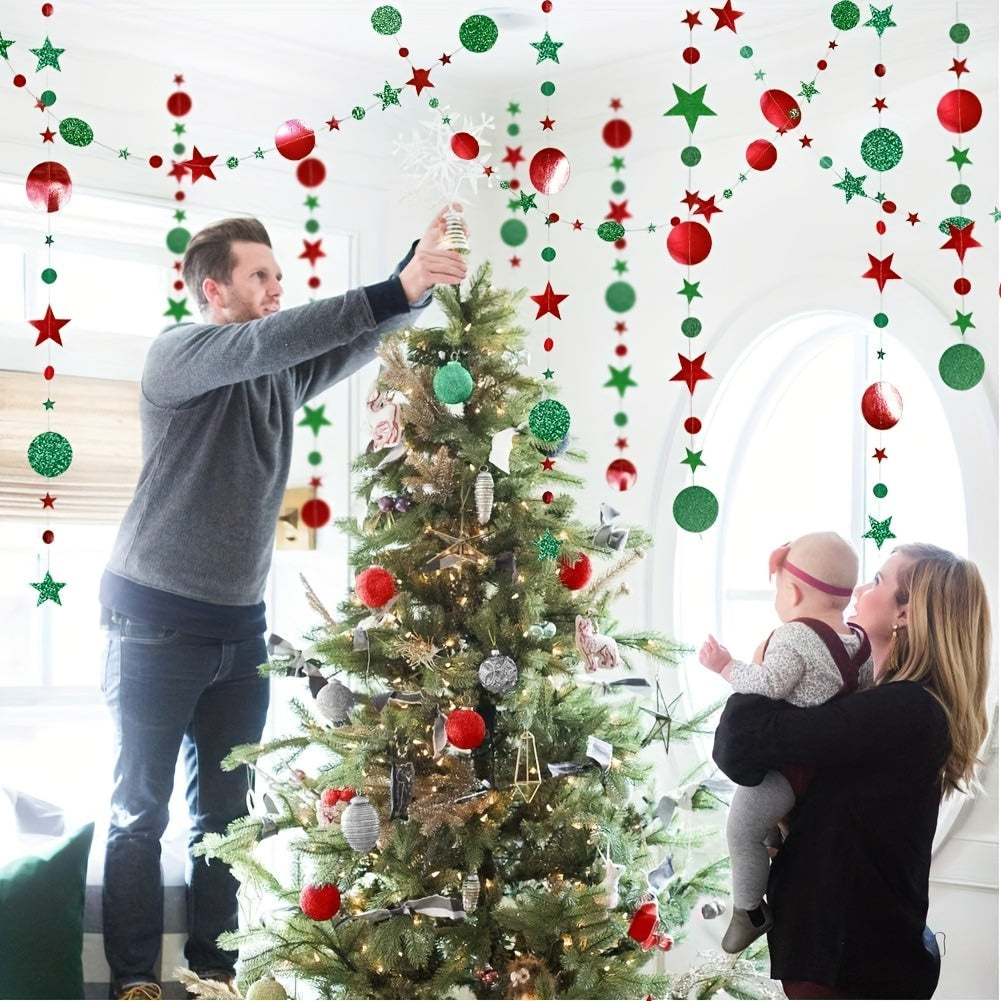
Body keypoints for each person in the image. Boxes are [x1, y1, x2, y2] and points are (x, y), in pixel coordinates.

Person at [98, 206, 468, 1000]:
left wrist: (419, 273)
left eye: (279, 274)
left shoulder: (274, 369)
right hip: (153, 622)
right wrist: (393, 284)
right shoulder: (180, 353)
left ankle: (213, 974)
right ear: (213, 289)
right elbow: (277, 337)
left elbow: (348, 339)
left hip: (239, 629)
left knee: (225, 821)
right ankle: (134, 982)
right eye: (260, 275)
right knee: (139, 812)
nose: (277, 287)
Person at [712, 543, 991, 999]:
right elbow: (742, 756)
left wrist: (767, 656)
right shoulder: (886, 706)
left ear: (906, 614)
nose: (859, 590)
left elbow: (742, 739)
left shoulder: (904, 709)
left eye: (879, 581)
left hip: (852, 962)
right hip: (851, 953)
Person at [699, 531, 873, 954]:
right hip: (829, 770)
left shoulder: (795, 636)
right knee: (766, 828)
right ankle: (777, 837)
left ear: (792, 592)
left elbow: (769, 684)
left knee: (740, 830)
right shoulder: (859, 642)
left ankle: (749, 911)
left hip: (784, 770)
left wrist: (724, 666)